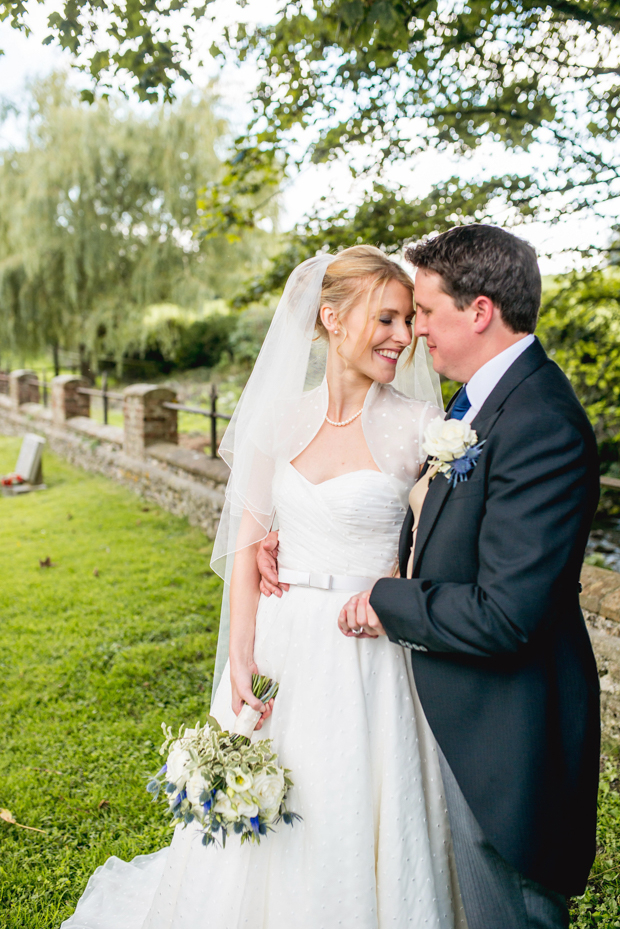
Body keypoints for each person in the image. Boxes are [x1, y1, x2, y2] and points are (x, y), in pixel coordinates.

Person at [60, 246, 467, 929]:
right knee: (268, 824)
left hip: (371, 655)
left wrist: (401, 577)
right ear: (333, 320)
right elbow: (250, 541)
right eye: (388, 318)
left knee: (353, 806)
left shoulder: (421, 429)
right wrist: (241, 655)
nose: (406, 336)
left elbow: (435, 549)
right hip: (282, 650)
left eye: (409, 320)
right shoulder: (278, 422)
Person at [261, 226, 601, 929]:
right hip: (453, 705)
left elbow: (506, 613)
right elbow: (431, 522)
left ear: (477, 312)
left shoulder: (542, 422)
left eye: (421, 310)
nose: (413, 331)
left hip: (510, 734)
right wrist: (290, 536)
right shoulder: (477, 404)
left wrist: (387, 600)